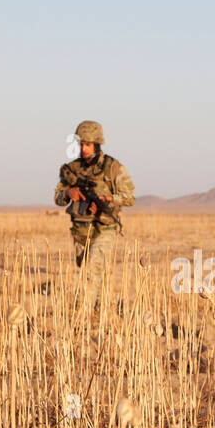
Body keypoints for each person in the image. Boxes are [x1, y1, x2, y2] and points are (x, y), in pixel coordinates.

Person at [54, 120, 135, 302]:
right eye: (81, 144)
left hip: (104, 227)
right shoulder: (73, 170)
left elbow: (129, 197)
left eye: (88, 144)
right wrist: (68, 192)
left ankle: (84, 314)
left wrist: (107, 200)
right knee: (88, 271)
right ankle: (98, 310)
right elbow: (58, 197)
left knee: (93, 268)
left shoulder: (113, 168)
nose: (84, 149)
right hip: (80, 229)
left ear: (97, 144)